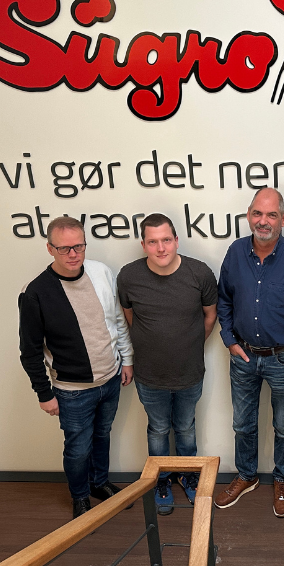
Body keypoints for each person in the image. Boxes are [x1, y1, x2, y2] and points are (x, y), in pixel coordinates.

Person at [214, 188, 284, 517]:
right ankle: (247, 475)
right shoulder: (235, 253)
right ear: (249, 216)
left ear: (283, 219)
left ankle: (282, 478)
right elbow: (224, 300)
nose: (264, 221)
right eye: (258, 214)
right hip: (243, 357)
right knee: (242, 424)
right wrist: (229, 339)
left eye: (271, 215)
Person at [19, 216, 134, 519]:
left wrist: (127, 359)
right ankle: (80, 496)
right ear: (49, 248)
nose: (73, 254)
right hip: (72, 391)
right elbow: (30, 352)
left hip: (110, 379)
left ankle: (99, 483)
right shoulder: (35, 293)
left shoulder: (101, 273)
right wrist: (44, 394)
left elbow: (117, 320)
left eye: (79, 246)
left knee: (102, 436)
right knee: (78, 449)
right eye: (64, 248)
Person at [117, 213, 218, 515]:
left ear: (176, 240)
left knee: (186, 428)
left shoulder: (199, 273)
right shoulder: (129, 276)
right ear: (143, 245)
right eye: (152, 242)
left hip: (189, 372)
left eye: (166, 240)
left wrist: (188, 345)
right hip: (149, 375)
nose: (160, 248)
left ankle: (189, 475)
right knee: (158, 429)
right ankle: (160, 481)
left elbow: (210, 316)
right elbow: (129, 318)